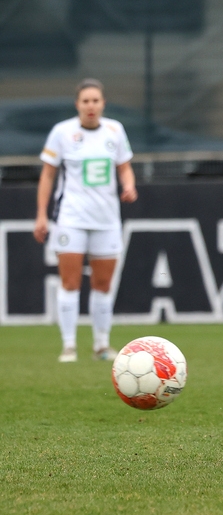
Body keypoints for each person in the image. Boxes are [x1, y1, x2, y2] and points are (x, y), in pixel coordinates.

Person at [34, 78, 138, 363]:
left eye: (96, 100)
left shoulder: (115, 131)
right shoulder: (62, 133)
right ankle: (69, 346)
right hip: (71, 218)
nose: (91, 106)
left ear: (103, 103)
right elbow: (47, 176)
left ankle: (101, 346)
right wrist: (42, 215)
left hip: (106, 220)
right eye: (85, 101)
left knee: (103, 284)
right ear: (77, 104)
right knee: (69, 282)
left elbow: (125, 168)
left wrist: (129, 185)